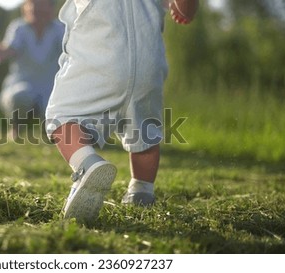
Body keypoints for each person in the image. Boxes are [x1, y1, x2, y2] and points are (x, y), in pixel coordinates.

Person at [45, 0, 199, 224]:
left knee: (60, 117)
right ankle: (142, 191)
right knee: (144, 132)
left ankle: (87, 164)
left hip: (100, 56)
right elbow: (185, 10)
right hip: (148, 66)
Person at [0, 0, 65, 140]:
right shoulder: (19, 28)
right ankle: (16, 128)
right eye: (34, 8)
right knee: (18, 97)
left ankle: (47, 130)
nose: (38, 13)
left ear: (51, 10)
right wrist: (2, 52)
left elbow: (70, 52)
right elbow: (11, 47)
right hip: (22, 84)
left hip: (51, 88)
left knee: (57, 106)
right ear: (26, 9)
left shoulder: (60, 29)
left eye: (42, 8)